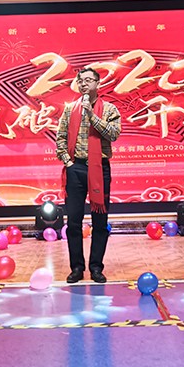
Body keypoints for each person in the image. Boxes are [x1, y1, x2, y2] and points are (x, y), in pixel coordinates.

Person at [56, 68, 121, 284]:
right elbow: (60, 138)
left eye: (88, 80)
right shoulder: (70, 109)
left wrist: (92, 115)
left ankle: (96, 267)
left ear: (97, 83)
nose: (83, 84)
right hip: (76, 169)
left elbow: (114, 133)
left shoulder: (109, 109)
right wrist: (68, 162)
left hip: (99, 168)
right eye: (80, 81)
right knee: (74, 222)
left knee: (100, 222)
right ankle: (76, 268)